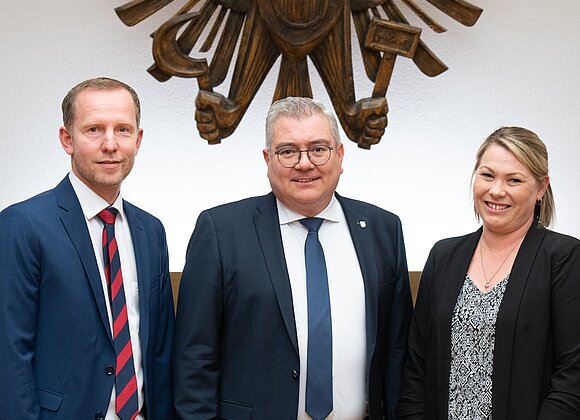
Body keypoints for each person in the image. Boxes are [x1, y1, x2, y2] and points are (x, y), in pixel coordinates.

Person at [173, 96, 413, 419]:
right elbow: (195, 358)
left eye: (318, 149)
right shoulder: (221, 232)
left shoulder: (383, 230)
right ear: (267, 159)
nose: (304, 163)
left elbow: (399, 351)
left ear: (340, 155)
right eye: (288, 151)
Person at [0, 77, 174, 420]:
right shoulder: (22, 225)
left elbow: (161, 351)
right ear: (67, 139)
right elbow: (9, 354)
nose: (110, 144)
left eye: (122, 130)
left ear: (138, 140)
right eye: (94, 130)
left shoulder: (151, 231)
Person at [398, 127, 580, 419]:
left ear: (541, 188)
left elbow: (572, 378)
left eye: (514, 180)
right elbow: (416, 369)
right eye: (487, 175)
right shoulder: (443, 256)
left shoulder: (564, 258)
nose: (496, 190)